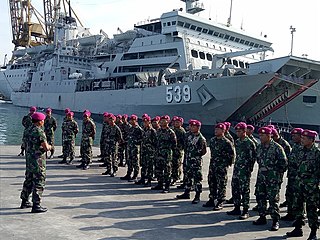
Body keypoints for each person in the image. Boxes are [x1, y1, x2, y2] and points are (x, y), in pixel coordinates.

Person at [286, 130, 320, 240]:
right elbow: (294, 164)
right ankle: (297, 228)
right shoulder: (300, 150)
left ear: (311, 140)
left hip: (311, 186)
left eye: (304, 139)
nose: (302, 140)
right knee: (297, 207)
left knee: (311, 208)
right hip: (299, 184)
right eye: (302, 138)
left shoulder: (317, 153)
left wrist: (314, 182)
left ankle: (313, 232)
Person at [253, 127, 287, 231]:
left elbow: (284, 163)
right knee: (260, 197)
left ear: (269, 136)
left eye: (263, 135)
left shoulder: (277, 148)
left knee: (273, 199)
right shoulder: (259, 147)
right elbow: (258, 159)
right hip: (261, 177)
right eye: (260, 135)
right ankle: (262, 216)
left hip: (272, 178)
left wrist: (274, 172)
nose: (261, 137)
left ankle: (275, 220)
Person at [20, 112, 52, 213]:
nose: (43, 122)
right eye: (42, 120)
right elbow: (46, 147)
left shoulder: (28, 130)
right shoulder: (39, 131)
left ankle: (24, 201)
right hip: (38, 161)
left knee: (28, 180)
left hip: (29, 160)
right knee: (39, 181)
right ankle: (36, 205)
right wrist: (51, 147)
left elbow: (25, 143)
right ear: (40, 122)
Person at [227, 122, 256, 219]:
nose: (238, 133)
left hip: (245, 170)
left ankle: (245, 210)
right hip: (237, 168)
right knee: (235, 188)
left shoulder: (249, 143)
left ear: (244, 131)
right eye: (237, 131)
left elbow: (253, 158)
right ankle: (236, 207)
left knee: (244, 190)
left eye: (239, 131)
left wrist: (249, 169)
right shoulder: (238, 142)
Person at [204, 123, 235, 210]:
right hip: (213, 165)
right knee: (211, 182)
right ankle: (212, 198)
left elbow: (231, 155)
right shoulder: (213, 140)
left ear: (223, 131)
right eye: (215, 129)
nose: (216, 131)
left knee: (221, 183)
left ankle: (220, 200)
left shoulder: (227, 142)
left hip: (221, 167)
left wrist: (225, 165)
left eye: (218, 129)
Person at [176, 120, 207, 204]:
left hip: (196, 162)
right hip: (188, 160)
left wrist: (196, 156)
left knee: (197, 179)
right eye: (191, 126)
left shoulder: (201, 139)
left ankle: (197, 196)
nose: (191, 128)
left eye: (194, 126)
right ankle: (187, 192)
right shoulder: (189, 136)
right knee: (188, 177)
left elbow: (204, 151)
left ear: (198, 127)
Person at [281, 128, 303, 221]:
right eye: (292, 135)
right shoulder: (294, 145)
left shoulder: (303, 147)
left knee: (299, 197)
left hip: (299, 177)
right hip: (292, 176)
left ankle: (299, 216)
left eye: (295, 136)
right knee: (289, 195)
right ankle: (290, 213)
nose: (293, 137)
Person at [152, 115, 177, 193]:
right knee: (158, 170)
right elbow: (155, 141)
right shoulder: (158, 131)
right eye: (161, 121)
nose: (162, 122)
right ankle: (159, 184)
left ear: (168, 122)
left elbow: (174, 144)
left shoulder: (171, 132)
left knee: (167, 171)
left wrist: (169, 151)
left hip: (166, 154)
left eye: (164, 120)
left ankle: (167, 187)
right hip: (158, 153)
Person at [120, 114, 143, 181]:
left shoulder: (139, 129)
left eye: (132, 120)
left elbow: (142, 138)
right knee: (129, 161)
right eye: (130, 120)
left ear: (136, 120)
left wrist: (136, 142)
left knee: (135, 162)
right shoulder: (130, 128)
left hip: (135, 148)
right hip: (129, 147)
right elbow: (128, 136)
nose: (131, 121)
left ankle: (135, 175)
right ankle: (128, 174)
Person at [136, 114, 157, 186]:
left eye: (146, 122)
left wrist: (153, 150)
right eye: (144, 122)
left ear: (149, 122)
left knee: (150, 166)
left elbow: (155, 142)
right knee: (143, 165)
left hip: (150, 152)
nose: (145, 123)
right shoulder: (143, 130)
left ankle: (149, 180)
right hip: (144, 150)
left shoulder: (152, 131)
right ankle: (142, 179)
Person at [171, 116, 186, 185]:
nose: (176, 123)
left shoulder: (182, 131)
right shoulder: (172, 130)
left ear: (181, 123)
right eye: (175, 122)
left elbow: (184, 141)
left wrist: (180, 149)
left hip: (178, 150)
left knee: (177, 164)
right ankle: (172, 176)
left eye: (178, 122)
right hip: (171, 150)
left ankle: (176, 178)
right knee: (172, 164)